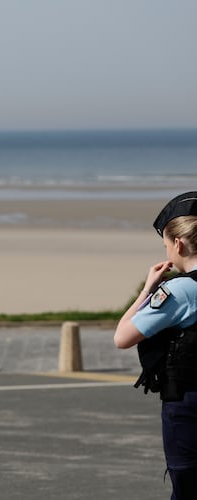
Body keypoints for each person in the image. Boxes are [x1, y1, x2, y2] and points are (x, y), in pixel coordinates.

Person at [114, 191, 197, 500]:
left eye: (165, 244)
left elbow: (122, 337)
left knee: (187, 487)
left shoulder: (181, 291)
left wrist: (148, 289)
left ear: (179, 243)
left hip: (188, 403)